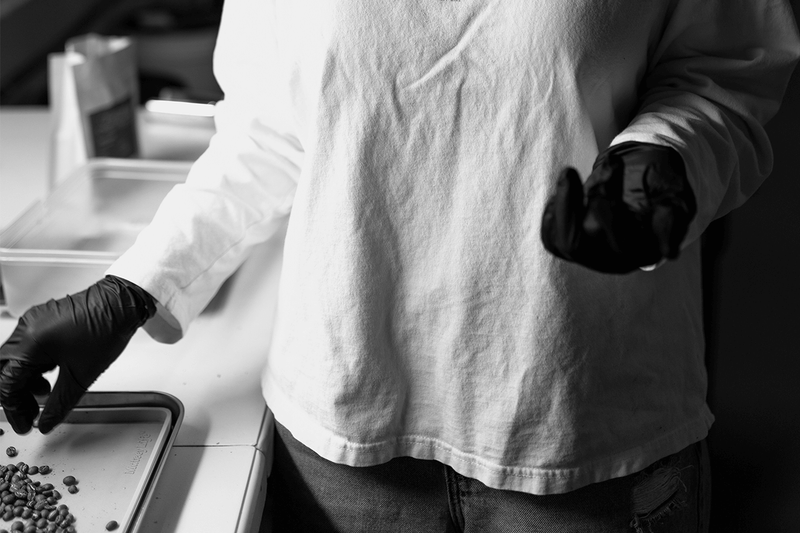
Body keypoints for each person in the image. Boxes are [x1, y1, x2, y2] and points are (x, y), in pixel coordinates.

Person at [2, 0, 799, 531]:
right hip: (345, 446)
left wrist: (665, 159)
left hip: (580, 432)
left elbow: (726, 70)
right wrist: (133, 285)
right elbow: (268, 129)